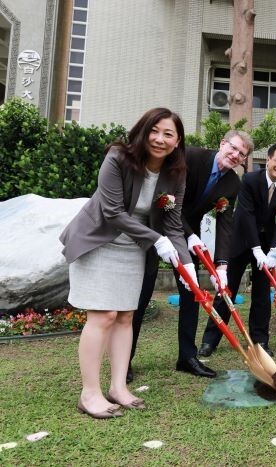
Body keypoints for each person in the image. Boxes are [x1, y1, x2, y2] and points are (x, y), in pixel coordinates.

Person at [60, 108, 191, 418]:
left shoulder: (176, 173)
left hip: (134, 248)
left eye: (168, 134)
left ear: (177, 140)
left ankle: (118, 387)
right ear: (143, 131)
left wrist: (185, 267)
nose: (160, 139)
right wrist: (157, 241)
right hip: (99, 241)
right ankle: (89, 393)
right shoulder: (118, 157)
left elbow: (173, 226)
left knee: (125, 316)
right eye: (154, 131)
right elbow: (113, 213)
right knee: (104, 315)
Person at [128, 130, 253, 382]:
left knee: (192, 294)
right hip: (155, 227)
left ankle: (187, 356)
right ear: (222, 143)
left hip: (186, 237)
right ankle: (126, 358)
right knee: (142, 294)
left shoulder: (232, 184)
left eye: (242, 154)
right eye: (233, 148)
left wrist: (222, 266)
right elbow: (165, 199)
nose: (236, 155)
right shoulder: (192, 157)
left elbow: (225, 224)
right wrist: (188, 233)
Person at [198, 142, 276, 357]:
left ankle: (260, 341)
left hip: (267, 248)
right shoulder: (250, 179)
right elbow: (246, 215)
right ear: (268, 160)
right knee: (226, 291)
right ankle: (210, 340)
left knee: (262, 296)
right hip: (241, 242)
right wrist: (256, 249)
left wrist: (274, 250)